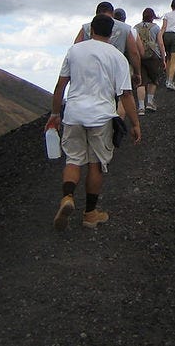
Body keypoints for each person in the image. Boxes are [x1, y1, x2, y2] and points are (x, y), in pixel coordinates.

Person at [46, 14, 142, 231]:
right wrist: (135, 123)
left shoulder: (74, 51)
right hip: (101, 116)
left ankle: (68, 197)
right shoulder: (117, 57)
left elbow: (60, 86)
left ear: (90, 30)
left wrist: (54, 114)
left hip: (73, 114)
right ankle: (90, 214)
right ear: (112, 33)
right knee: (96, 163)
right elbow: (125, 95)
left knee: (73, 159)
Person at [74, 2, 142, 89]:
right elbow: (134, 52)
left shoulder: (86, 27)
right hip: (114, 72)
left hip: (89, 73)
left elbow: (76, 47)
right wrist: (137, 73)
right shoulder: (125, 28)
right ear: (113, 13)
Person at [132, 8, 166, 115]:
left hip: (139, 56)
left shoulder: (135, 27)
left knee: (141, 82)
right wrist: (163, 58)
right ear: (153, 16)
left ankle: (141, 107)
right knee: (153, 80)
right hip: (153, 56)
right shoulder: (155, 27)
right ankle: (150, 102)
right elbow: (160, 43)